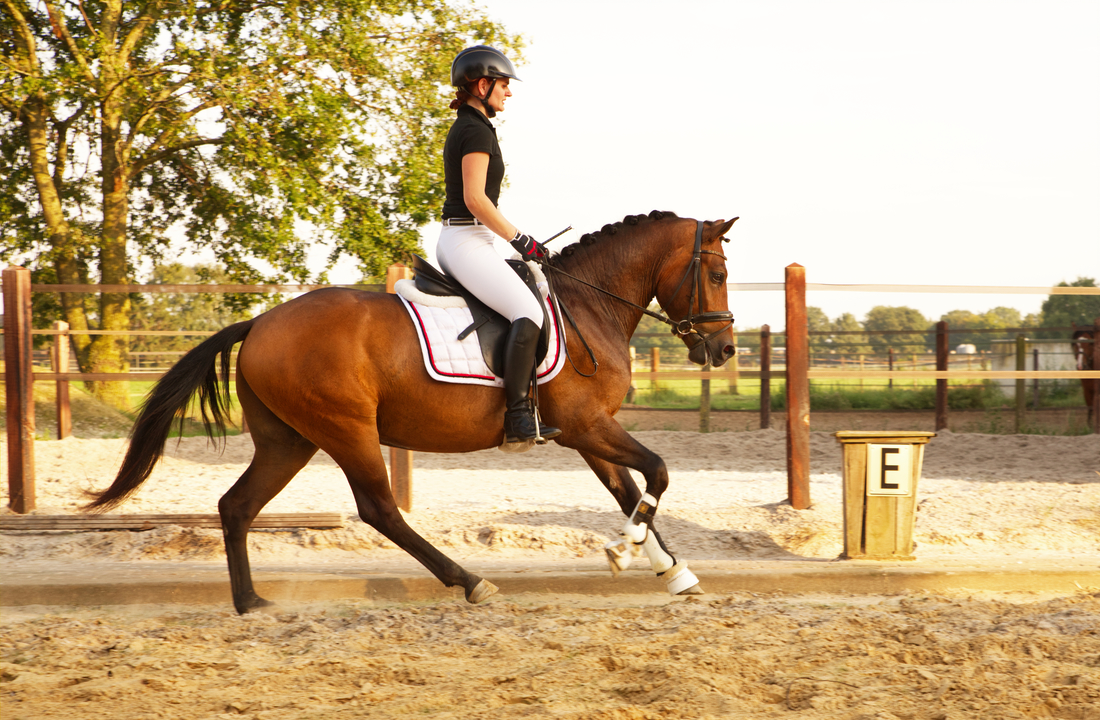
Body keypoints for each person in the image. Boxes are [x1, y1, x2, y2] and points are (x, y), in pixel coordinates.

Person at [437, 45, 561, 444]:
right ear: (482, 84)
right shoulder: (473, 130)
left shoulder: (476, 126)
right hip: (465, 239)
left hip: (472, 239)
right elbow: (476, 199)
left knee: (531, 296)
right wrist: (521, 239)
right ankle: (518, 415)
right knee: (528, 310)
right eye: (504, 84)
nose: (509, 92)